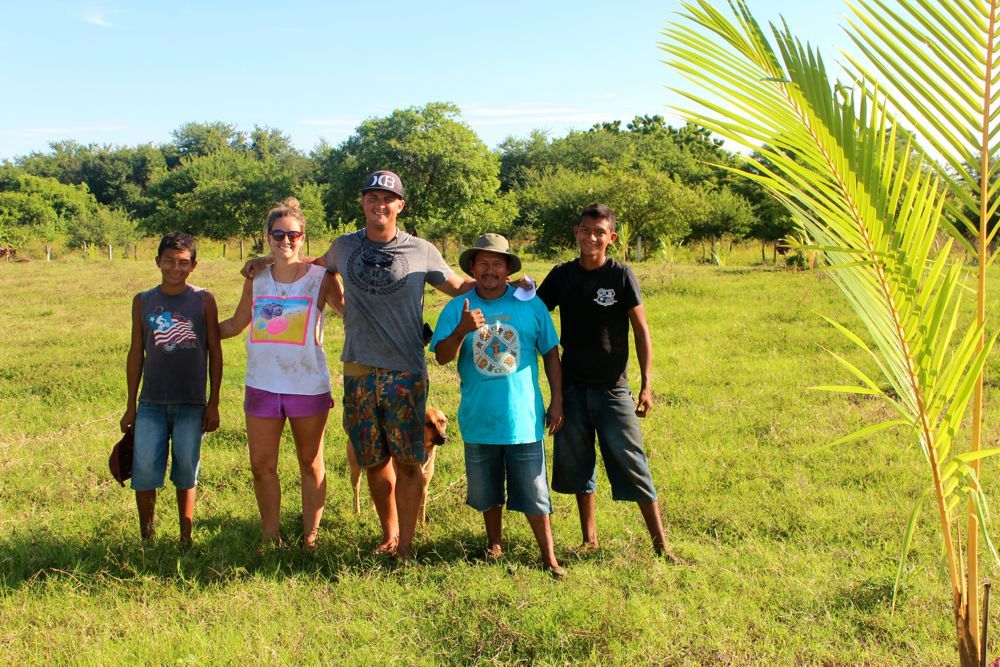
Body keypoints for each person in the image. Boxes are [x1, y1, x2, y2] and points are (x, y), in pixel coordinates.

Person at [537, 203, 676, 559]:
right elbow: (534, 310)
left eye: (600, 232)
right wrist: (514, 288)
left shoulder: (621, 275)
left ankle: (662, 546)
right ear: (576, 233)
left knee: (634, 463)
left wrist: (646, 384)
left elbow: (641, 330)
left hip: (613, 388)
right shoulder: (561, 275)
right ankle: (589, 539)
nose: (592, 238)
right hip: (571, 388)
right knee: (579, 464)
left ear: (611, 238)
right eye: (586, 230)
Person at [430, 234, 566, 578]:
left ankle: (548, 556)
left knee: (535, 492)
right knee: (487, 490)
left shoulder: (530, 305)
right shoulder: (456, 308)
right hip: (479, 418)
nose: (490, 270)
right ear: (473, 268)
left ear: (508, 270)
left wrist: (558, 399)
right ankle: (494, 544)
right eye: (483, 264)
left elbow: (550, 352)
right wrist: (461, 329)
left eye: (497, 264)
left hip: (523, 417)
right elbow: (442, 357)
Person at [220, 198, 344, 549]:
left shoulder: (322, 278)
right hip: (261, 384)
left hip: (307, 386)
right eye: (278, 234)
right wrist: (195, 330)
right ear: (268, 236)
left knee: (310, 461)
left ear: (303, 237)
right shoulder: (256, 277)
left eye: (294, 235)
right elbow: (236, 323)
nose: (286, 241)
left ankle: (310, 536)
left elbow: (351, 314)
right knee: (261, 465)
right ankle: (270, 535)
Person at [120, 231, 222, 546]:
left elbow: (215, 352)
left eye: (182, 262)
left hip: (192, 404)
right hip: (150, 402)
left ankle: (185, 536)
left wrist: (213, 402)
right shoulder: (143, 301)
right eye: (168, 261)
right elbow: (137, 352)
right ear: (157, 262)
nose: (175, 268)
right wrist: (131, 405)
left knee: (185, 470)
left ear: (193, 265)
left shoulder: (203, 299)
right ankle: (147, 536)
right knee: (145, 471)